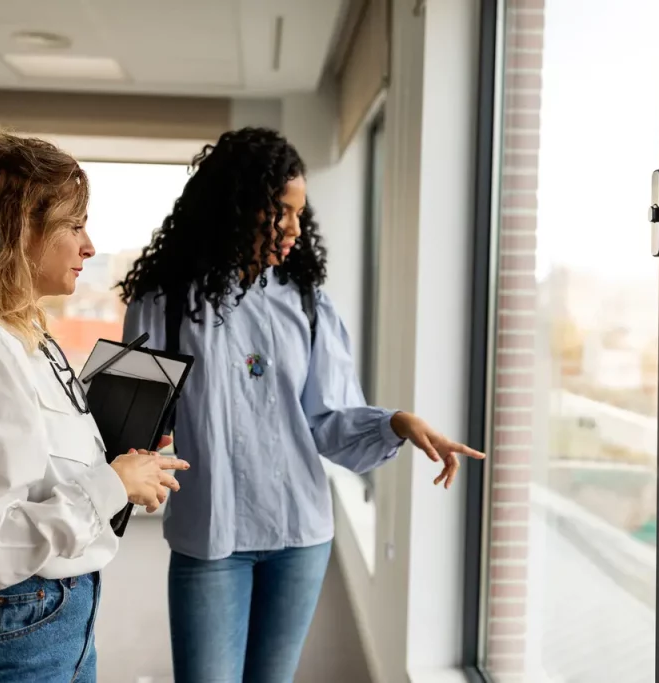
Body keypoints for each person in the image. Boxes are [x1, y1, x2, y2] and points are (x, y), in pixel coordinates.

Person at [120, 127, 485, 683]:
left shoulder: (307, 304)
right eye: (279, 212)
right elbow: (129, 423)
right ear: (236, 207)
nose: (294, 228)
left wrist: (397, 423)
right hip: (210, 534)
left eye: (298, 214)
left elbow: (328, 422)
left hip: (299, 535)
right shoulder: (162, 306)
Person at [0, 125, 189, 683]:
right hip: (16, 628)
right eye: (74, 225)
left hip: (55, 618)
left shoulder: (21, 336)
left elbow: (37, 466)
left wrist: (122, 461)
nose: (89, 246)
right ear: (18, 228)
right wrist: (112, 486)